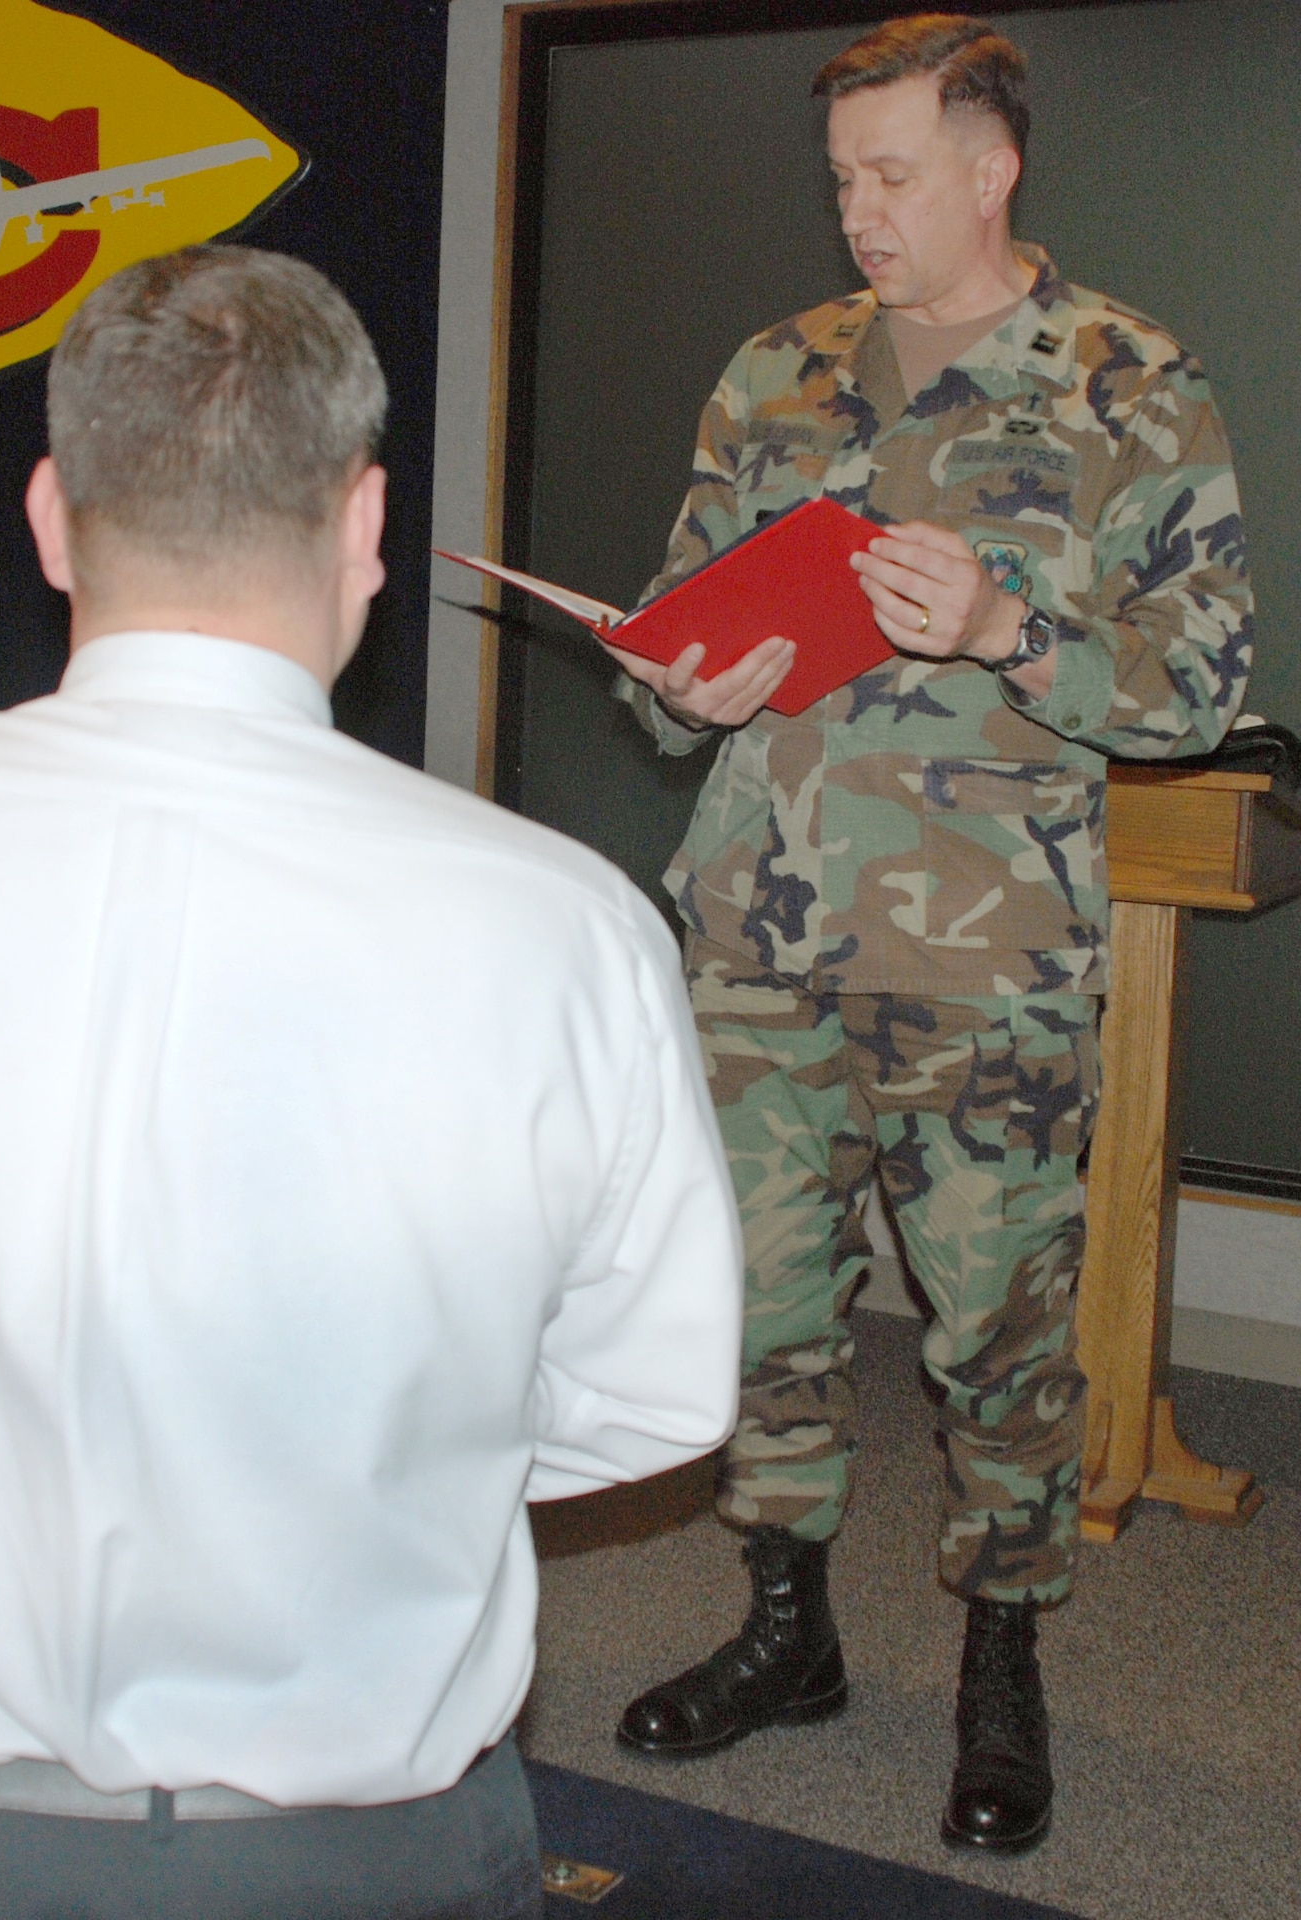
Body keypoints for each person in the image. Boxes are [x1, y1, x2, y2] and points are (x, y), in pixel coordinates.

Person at [0, 245, 745, 1920]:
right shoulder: (569, 928)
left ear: (50, 515)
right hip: (362, 1859)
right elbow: (654, 1398)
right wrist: (367, 1441)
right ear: (366, 529)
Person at [606, 13, 1252, 1857]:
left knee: (1000, 1340)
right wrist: (684, 677)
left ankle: (1002, 1674)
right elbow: (672, 642)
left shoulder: (1128, 378)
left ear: (994, 168)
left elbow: (1202, 685)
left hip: (989, 964)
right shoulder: (776, 373)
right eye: (841, 182)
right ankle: (785, 1634)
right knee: (763, 1314)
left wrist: (1008, 635)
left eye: (894, 177)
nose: (860, 215)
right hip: (757, 937)